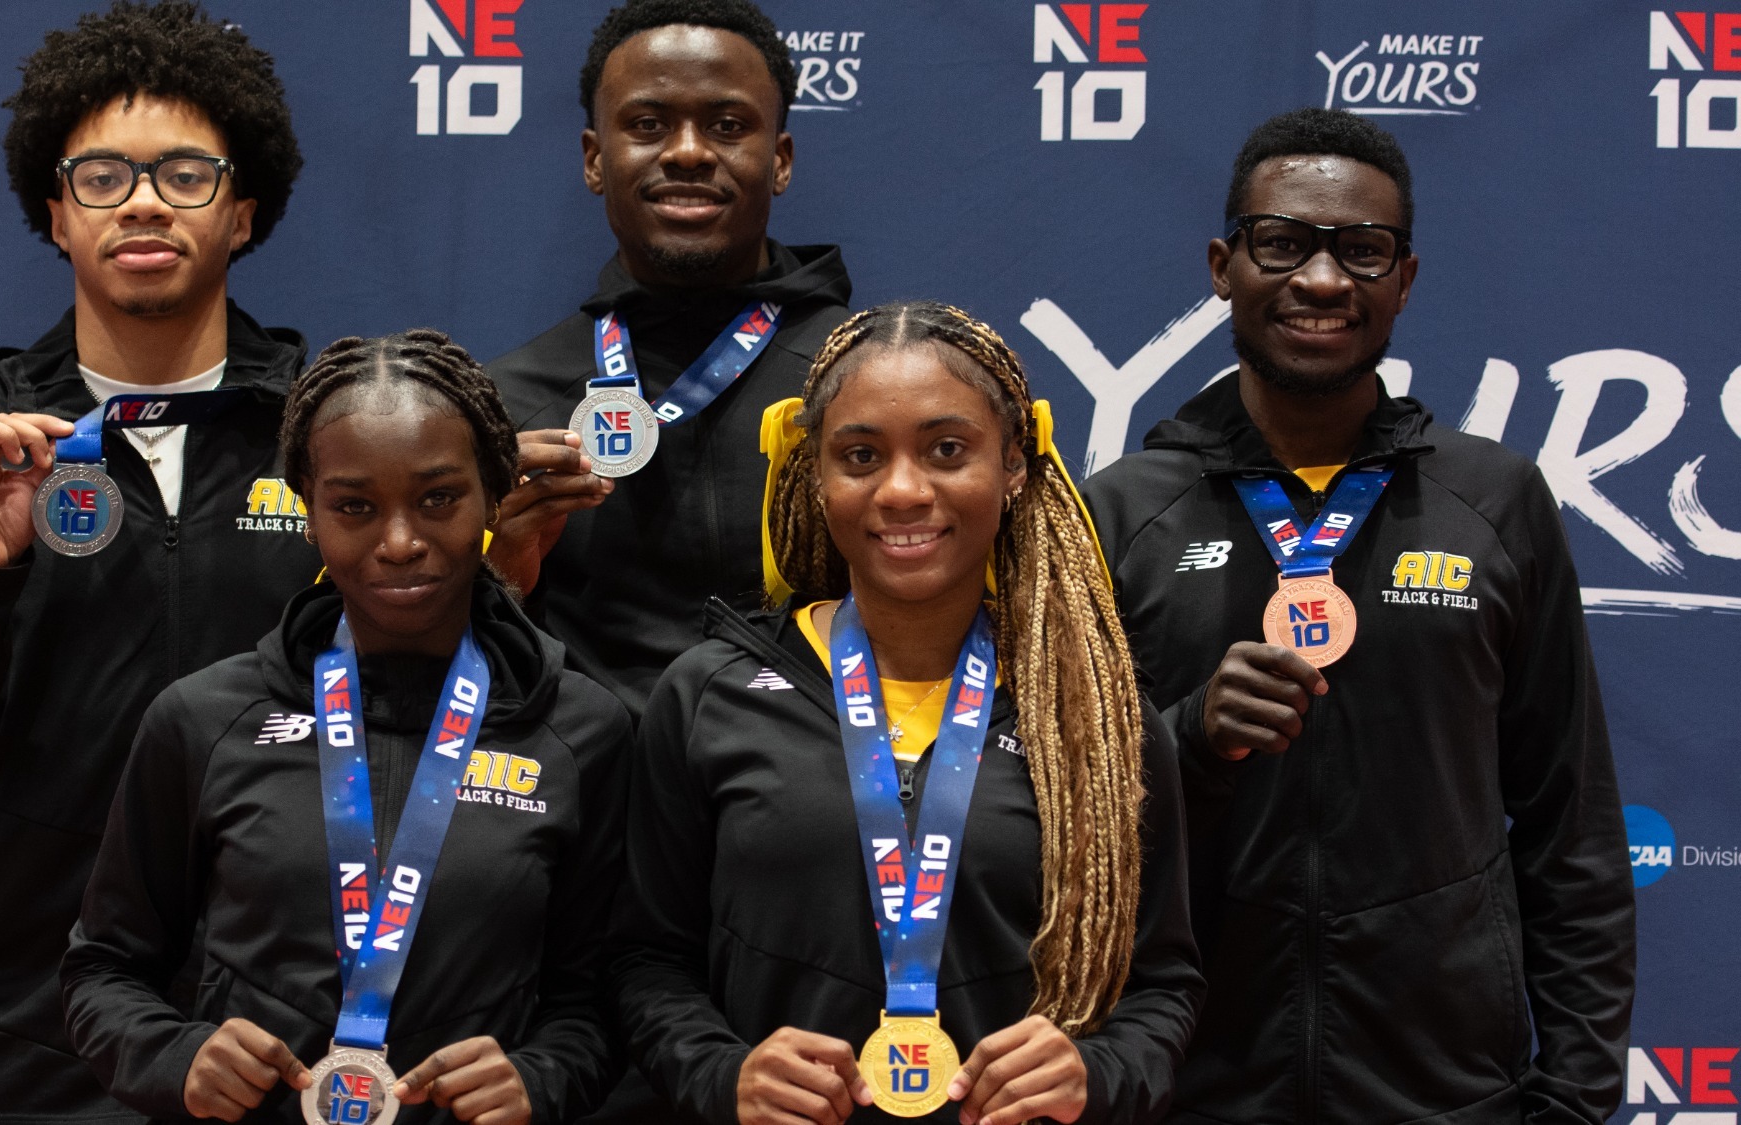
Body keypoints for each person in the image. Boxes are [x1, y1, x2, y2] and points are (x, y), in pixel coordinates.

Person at [1078, 108, 1636, 1124]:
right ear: (1222, 264)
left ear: (1403, 281)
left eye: (1361, 251)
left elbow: (1571, 828)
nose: (1322, 281)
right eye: (1281, 243)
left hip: (1446, 1093)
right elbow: (1053, 821)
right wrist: (1186, 740)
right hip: (1189, 1088)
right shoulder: (1118, 512)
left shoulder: (1495, 501)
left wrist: (1576, 1096)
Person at [0, 4, 315, 1120]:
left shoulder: (331, 436)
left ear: (242, 212)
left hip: (281, 1034)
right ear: (55, 213)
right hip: (26, 1037)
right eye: (101, 175)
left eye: (185, 174)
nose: (143, 199)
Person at [613, 302, 1202, 1125]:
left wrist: (1095, 1074)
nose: (901, 489)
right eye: (859, 455)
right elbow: (648, 962)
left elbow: (1162, 986)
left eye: (948, 450)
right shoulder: (709, 693)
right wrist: (723, 1072)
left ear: (1016, 467)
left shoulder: (1097, 719)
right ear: (814, 475)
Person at [62, 331, 631, 1125]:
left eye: (438, 498)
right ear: (306, 506)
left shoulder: (582, 731)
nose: (400, 542)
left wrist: (541, 1076)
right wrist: (177, 1056)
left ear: (494, 495)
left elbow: (600, 999)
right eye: (355, 506)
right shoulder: (204, 719)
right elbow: (102, 969)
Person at [486, 0, 853, 715]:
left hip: (817, 804)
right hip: (589, 811)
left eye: (727, 125)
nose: (688, 151)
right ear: (596, 159)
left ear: (779, 161)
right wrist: (498, 575)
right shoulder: (505, 408)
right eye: (649, 125)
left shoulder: (866, 389)